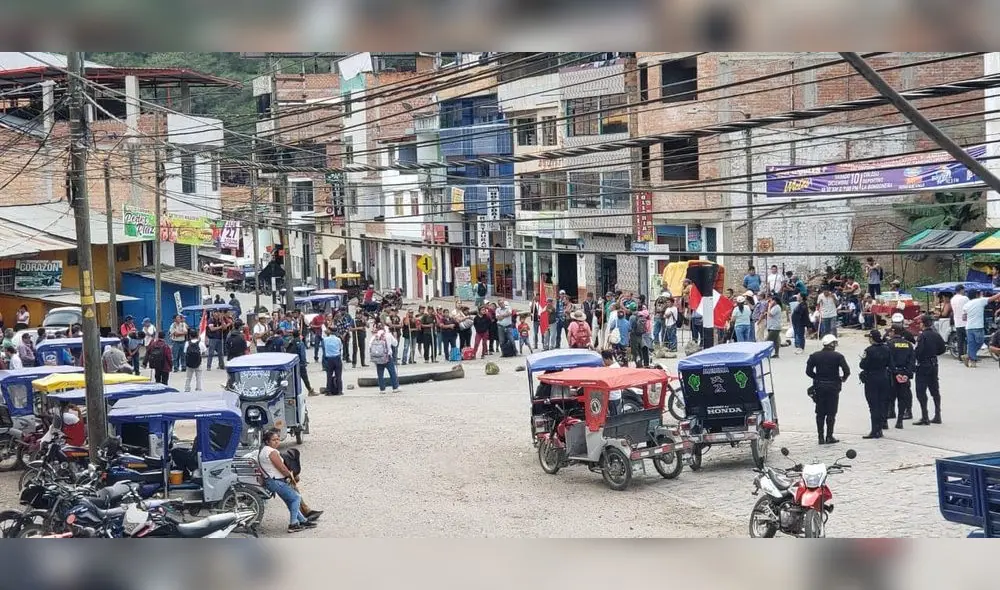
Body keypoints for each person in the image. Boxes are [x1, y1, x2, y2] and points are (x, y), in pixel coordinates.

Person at [257, 429, 317, 534]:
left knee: (290, 500)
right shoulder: (271, 452)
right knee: (296, 498)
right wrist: (291, 476)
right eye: (273, 440)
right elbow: (282, 468)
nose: (276, 441)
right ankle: (293, 524)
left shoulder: (264, 450)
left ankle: (303, 521)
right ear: (267, 441)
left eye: (278, 439)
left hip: (271, 481)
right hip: (276, 481)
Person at [805, 334, 851, 445]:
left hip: (819, 386)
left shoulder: (815, 356)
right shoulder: (838, 356)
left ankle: (820, 437)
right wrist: (843, 378)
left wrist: (817, 377)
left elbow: (808, 371)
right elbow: (847, 370)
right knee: (831, 413)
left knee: (820, 413)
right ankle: (829, 436)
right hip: (833, 387)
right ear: (831, 344)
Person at [914, 314, 946, 425]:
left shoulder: (922, 336)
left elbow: (918, 352)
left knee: (921, 391)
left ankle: (925, 416)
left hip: (923, 365)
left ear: (922, 323)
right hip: (934, 364)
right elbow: (942, 349)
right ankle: (938, 414)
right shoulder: (936, 335)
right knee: (935, 390)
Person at [858, 329, 891, 439]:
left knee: (873, 405)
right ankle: (880, 428)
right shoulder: (887, 348)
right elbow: (890, 363)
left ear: (872, 338)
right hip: (884, 377)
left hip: (872, 378)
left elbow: (862, 365)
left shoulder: (869, 350)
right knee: (882, 404)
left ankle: (874, 430)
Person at [886, 326, 916, 429]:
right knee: (903, 396)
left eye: (890, 331)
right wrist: (907, 374)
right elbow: (912, 360)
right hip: (905, 373)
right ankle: (900, 420)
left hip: (893, 374)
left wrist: (894, 372)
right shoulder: (908, 344)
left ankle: (890, 413)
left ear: (893, 332)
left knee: (890, 395)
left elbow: (888, 360)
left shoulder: (889, 344)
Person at [962, 289, 1000, 368]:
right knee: (980, 342)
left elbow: (964, 317)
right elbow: (994, 297)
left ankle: (971, 359)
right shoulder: (980, 301)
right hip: (978, 326)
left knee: (971, 344)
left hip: (969, 327)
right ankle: (970, 357)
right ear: (976, 295)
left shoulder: (966, 304)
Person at [369, 322, 399, 394]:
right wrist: (395, 337)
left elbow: (370, 346)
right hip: (388, 356)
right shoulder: (388, 335)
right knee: (392, 372)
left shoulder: (374, 336)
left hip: (378, 357)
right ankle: (395, 387)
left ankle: (382, 389)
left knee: (380, 374)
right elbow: (395, 344)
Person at [286, 330, 316, 397]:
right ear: (299, 335)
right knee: (305, 378)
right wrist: (304, 362)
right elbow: (302, 354)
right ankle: (310, 390)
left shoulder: (291, 342)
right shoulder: (300, 343)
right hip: (300, 363)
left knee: (293, 379)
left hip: (292, 363)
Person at [321, 327, 344, 396]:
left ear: (330, 332)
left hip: (329, 359)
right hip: (337, 358)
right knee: (338, 376)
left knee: (329, 375)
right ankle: (339, 391)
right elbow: (340, 348)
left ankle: (329, 391)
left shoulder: (325, 340)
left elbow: (323, 349)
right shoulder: (338, 339)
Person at [600, 349, 624, 416]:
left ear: (608, 359)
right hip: (616, 395)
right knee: (615, 414)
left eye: (604, 360)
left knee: (614, 416)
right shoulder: (616, 365)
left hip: (613, 397)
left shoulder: (611, 369)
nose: (603, 362)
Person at [765, 293, 783, 358]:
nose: (770, 302)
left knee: (767, 341)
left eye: (771, 300)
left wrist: (769, 306)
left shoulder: (777, 307)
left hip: (774, 327)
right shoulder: (775, 307)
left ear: (774, 301)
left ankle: (767, 354)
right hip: (772, 326)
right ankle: (776, 353)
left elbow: (770, 314)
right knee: (776, 341)